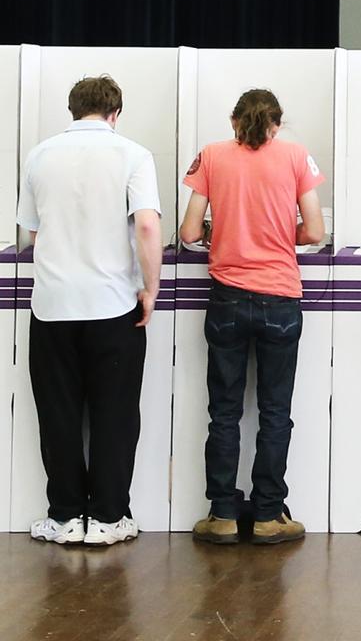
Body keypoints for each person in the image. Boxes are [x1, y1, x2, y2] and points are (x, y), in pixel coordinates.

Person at [18, 75, 163, 546]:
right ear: (115, 113)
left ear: (73, 109)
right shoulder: (134, 156)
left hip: (53, 305)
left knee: (57, 415)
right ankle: (107, 517)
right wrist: (150, 287)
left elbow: (33, 234)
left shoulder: (39, 155)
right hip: (113, 305)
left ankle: (63, 517)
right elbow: (145, 226)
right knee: (115, 414)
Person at [180, 89, 326, 545]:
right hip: (280, 297)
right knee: (274, 412)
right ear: (276, 124)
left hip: (226, 296)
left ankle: (222, 514)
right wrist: (284, 233)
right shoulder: (298, 157)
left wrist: (219, 231)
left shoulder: (211, 156)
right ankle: (267, 515)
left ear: (233, 121)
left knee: (223, 411)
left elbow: (188, 232)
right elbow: (316, 232)